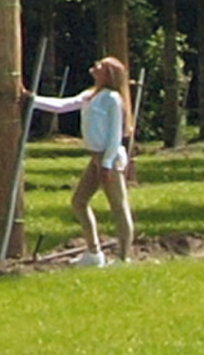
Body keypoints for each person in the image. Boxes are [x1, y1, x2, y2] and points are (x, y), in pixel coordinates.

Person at [28, 56, 135, 266]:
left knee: (118, 207)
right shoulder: (89, 95)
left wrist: (106, 164)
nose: (95, 66)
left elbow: (115, 136)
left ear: (109, 74)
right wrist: (32, 100)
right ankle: (94, 252)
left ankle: (124, 257)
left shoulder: (112, 98)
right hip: (95, 158)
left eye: (101, 66)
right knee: (79, 202)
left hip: (109, 159)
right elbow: (63, 105)